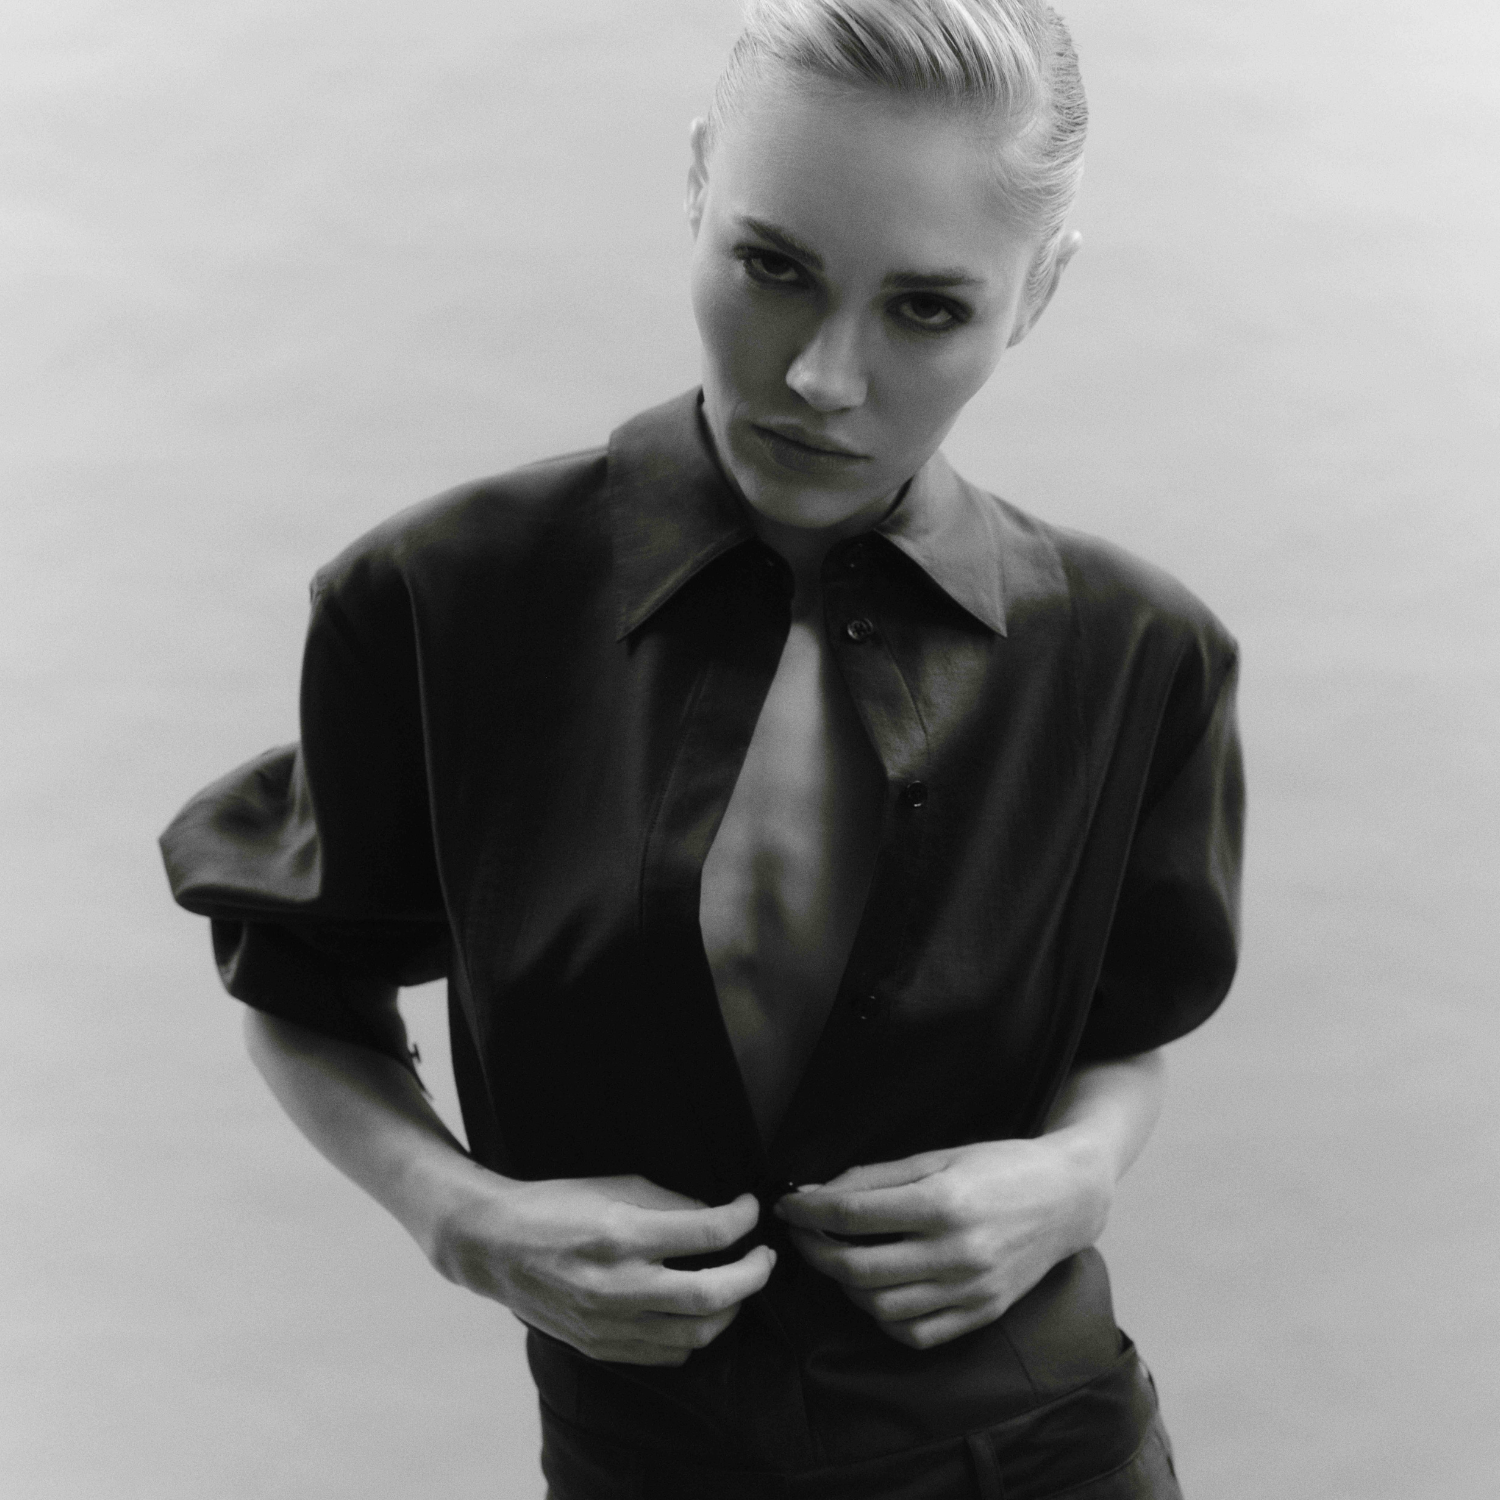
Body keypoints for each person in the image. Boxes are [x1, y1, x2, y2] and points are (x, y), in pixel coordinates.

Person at [160, 1, 1243, 1495]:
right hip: (646, 1460)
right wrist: (459, 1219)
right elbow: (299, 977)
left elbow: (1128, 1020)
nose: (824, 379)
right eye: (773, 267)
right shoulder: (442, 598)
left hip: (1047, 1448)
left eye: (929, 309)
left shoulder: (1136, 649)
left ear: (1038, 289)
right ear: (695, 187)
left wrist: (1078, 1175)